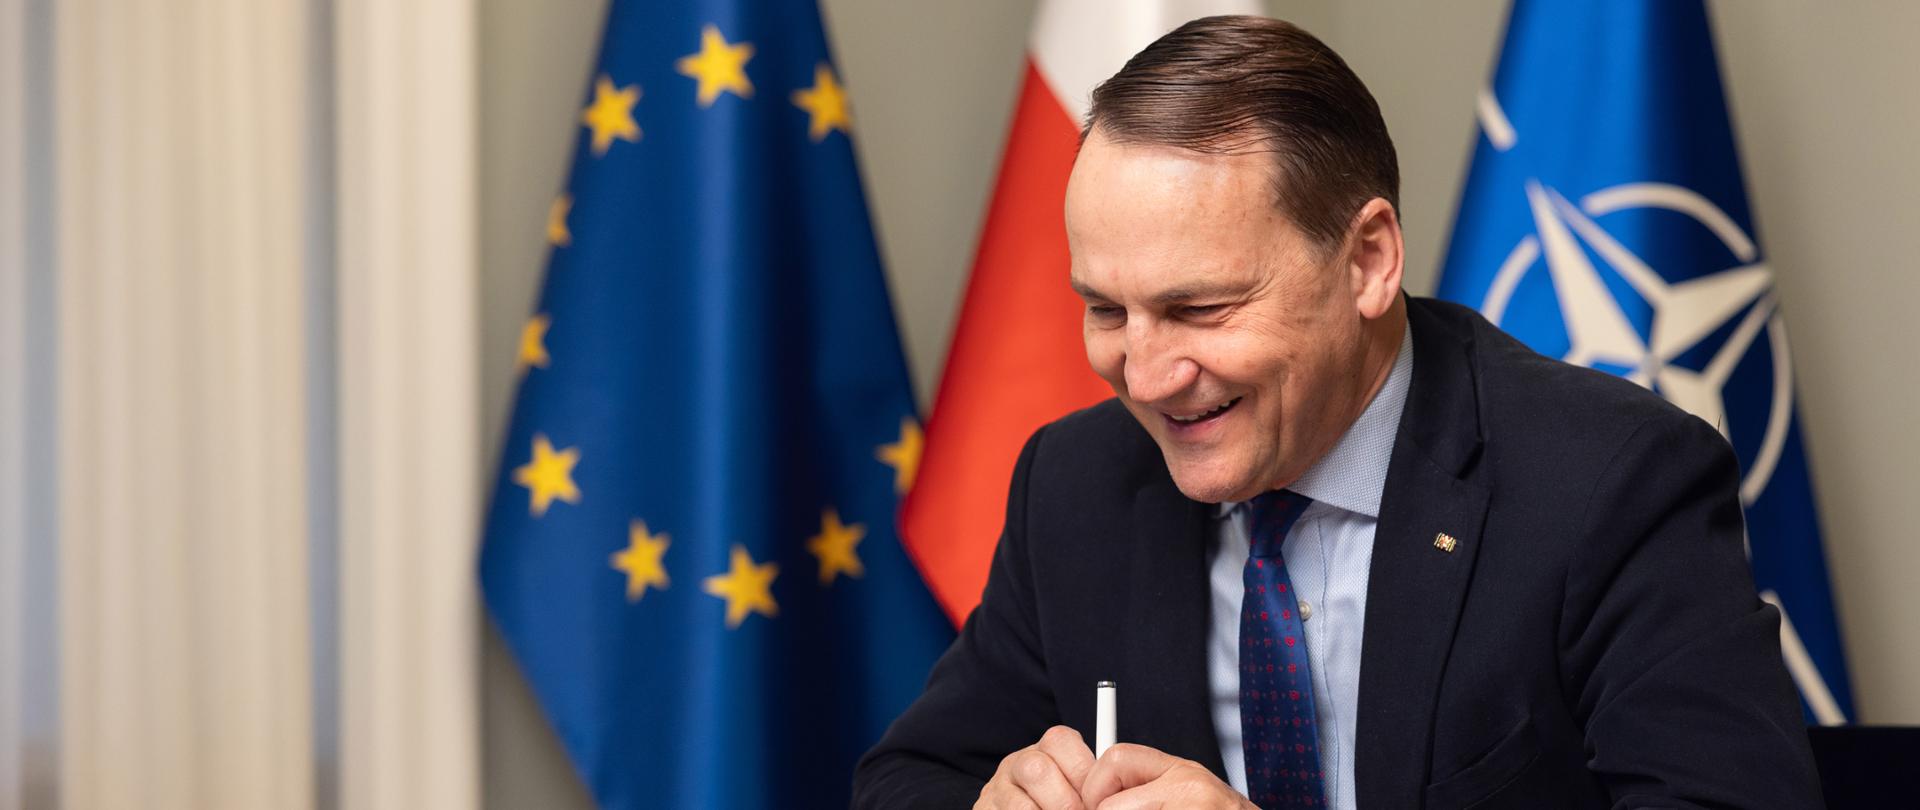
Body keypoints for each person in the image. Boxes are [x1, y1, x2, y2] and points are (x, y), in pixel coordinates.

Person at [853, 15, 1821, 810]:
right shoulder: (1077, 484)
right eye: (1106, 310)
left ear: (1367, 261)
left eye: (1200, 308)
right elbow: (905, 781)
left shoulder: (1607, 484)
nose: (1142, 376)